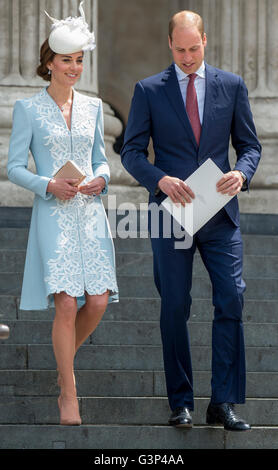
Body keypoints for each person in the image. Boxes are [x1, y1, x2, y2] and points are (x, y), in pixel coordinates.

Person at [121, 10, 261, 431]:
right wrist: (159, 178)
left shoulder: (232, 86)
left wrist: (243, 172)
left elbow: (250, 146)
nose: (187, 56)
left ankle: (223, 403)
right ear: (170, 44)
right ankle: (180, 402)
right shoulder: (148, 90)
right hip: (171, 214)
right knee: (175, 306)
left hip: (220, 213)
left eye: (194, 48)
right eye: (180, 49)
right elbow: (131, 152)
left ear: (205, 40)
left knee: (231, 300)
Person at [7, 1, 118, 426]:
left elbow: (101, 160)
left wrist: (101, 180)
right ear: (48, 63)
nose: (74, 68)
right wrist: (48, 184)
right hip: (53, 212)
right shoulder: (27, 109)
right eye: (66, 60)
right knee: (67, 303)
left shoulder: (92, 107)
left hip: (89, 212)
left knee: (99, 300)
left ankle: (61, 364)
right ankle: (68, 393)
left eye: (79, 61)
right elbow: (14, 167)